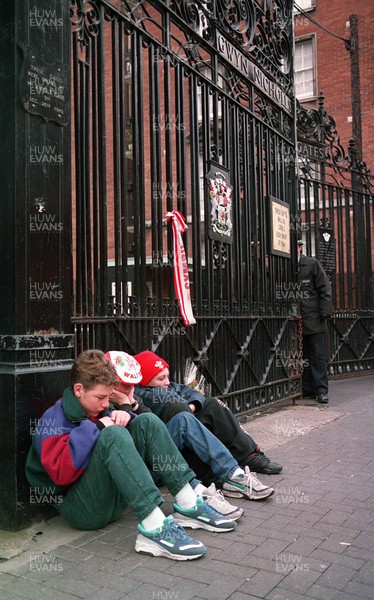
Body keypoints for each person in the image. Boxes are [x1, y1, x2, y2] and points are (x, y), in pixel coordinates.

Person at [25, 350, 237, 562]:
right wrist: (96, 427)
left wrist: (126, 412)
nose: (106, 404)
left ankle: (188, 502)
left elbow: (127, 434)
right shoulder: (53, 419)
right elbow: (60, 474)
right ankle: (154, 528)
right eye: (101, 397)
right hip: (83, 511)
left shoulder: (98, 409)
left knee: (148, 422)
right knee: (112, 434)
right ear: (79, 390)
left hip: (113, 501)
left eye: (109, 397)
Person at [105, 352, 274, 517]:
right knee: (179, 419)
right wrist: (125, 406)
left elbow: (190, 396)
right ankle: (199, 493)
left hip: (161, 461)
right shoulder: (109, 401)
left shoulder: (133, 396)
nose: (130, 389)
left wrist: (131, 404)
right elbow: (164, 412)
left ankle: (234, 475)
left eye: (132, 384)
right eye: (126, 385)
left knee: (202, 409)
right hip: (146, 471)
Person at [132, 350, 283, 478]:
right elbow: (173, 403)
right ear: (145, 380)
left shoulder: (168, 386)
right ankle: (218, 473)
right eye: (161, 378)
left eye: (167, 376)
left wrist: (191, 406)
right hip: (167, 451)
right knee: (187, 418)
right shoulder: (142, 394)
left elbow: (194, 394)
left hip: (185, 435)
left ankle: (248, 456)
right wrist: (187, 406)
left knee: (212, 404)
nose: (166, 381)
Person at [298, 239, 333, 404]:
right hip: (296, 320)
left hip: (313, 318)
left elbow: (325, 288)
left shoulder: (312, 264)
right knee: (302, 355)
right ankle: (308, 388)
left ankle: (321, 390)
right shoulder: (285, 265)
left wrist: (325, 312)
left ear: (300, 247)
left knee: (317, 356)